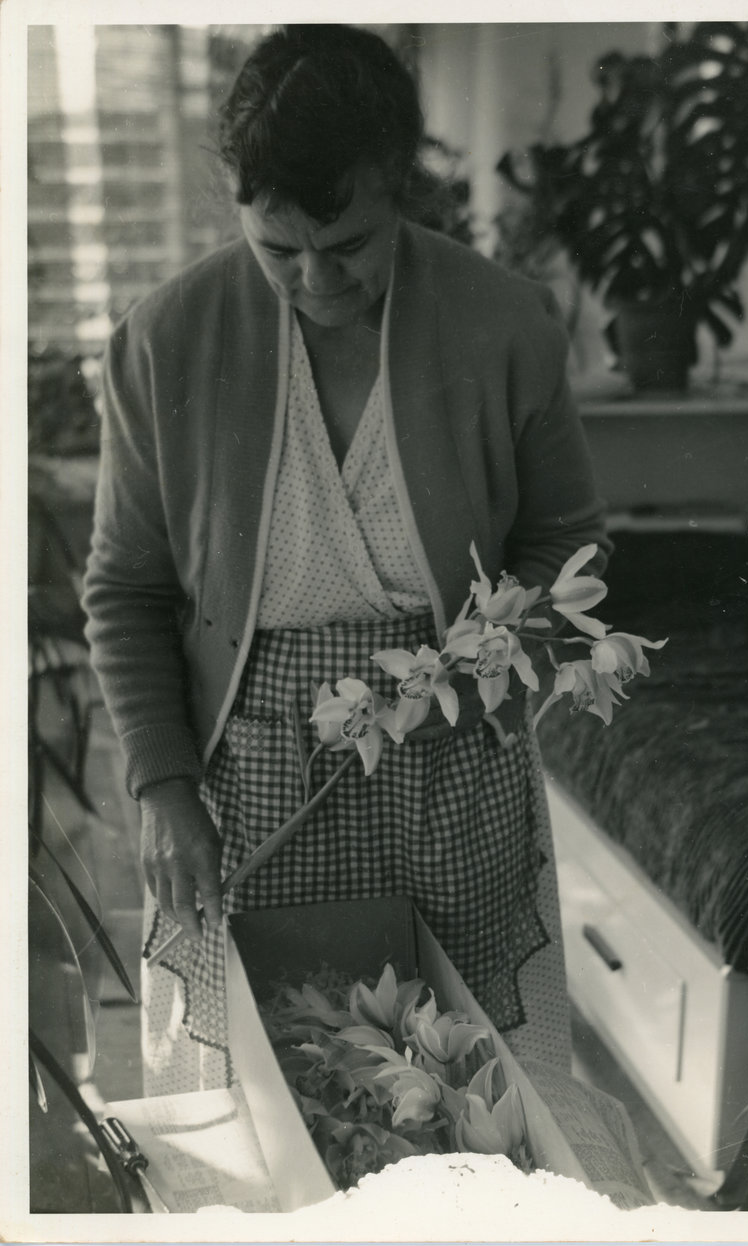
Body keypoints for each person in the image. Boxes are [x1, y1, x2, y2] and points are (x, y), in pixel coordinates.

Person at [82, 23, 609, 1095]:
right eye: (278, 250)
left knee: (461, 1083)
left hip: (454, 748)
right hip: (252, 764)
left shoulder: (505, 324)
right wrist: (164, 787)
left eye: (351, 244)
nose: (316, 280)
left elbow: (569, 541)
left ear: (400, 188)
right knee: (277, 1080)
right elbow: (125, 590)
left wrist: (494, 675)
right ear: (237, 205)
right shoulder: (164, 341)